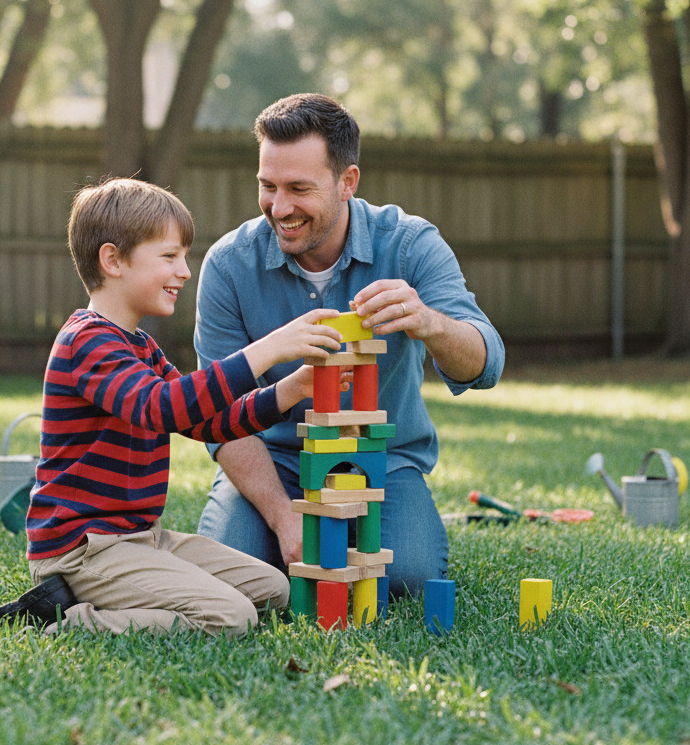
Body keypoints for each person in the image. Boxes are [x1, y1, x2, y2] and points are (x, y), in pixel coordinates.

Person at [0, 176, 346, 636]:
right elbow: (160, 407)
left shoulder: (141, 346)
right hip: (83, 550)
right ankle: (72, 620)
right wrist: (267, 349)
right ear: (112, 260)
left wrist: (291, 388)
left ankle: (129, 593)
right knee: (232, 617)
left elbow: (206, 421)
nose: (184, 271)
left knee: (272, 588)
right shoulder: (86, 341)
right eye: (169, 257)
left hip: (142, 538)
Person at [194, 93, 504, 597]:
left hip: (386, 461)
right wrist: (283, 518)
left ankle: (366, 531)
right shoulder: (229, 264)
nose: (280, 207)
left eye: (299, 188)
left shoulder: (410, 244)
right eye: (268, 186)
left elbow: (486, 362)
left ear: (347, 182)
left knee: (407, 579)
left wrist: (431, 323)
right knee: (234, 579)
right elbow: (220, 415)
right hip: (275, 460)